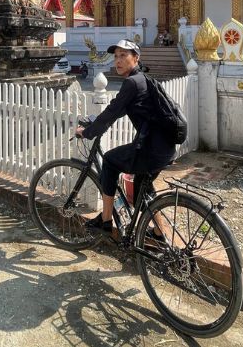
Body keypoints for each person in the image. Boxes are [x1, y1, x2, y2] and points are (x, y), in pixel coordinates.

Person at [75, 39, 176, 239]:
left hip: (152, 149)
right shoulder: (143, 80)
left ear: (136, 58)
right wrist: (96, 121)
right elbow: (116, 110)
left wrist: (86, 132)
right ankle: (159, 232)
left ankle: (105, 220)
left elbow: (112, 112)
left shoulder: (132, 83)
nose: (118, 61)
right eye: (116, 56)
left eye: (123, 56)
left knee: (111, 161)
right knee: (142, 187)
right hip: (164, 147)